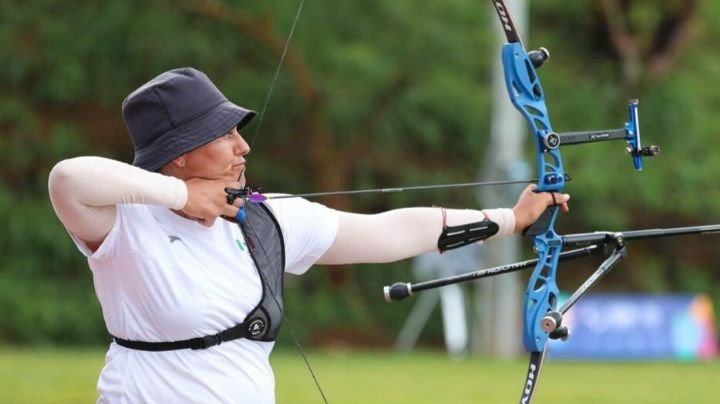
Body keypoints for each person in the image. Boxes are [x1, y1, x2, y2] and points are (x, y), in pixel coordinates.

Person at [48, 67, 569, 403]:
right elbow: (67, 178)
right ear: (180, 153)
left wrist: (510, 219)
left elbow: (390, 232)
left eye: (239, 134)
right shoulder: (125, 224)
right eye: (222, 136)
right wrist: (184, 199)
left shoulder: (265, 219)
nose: (242, 148)